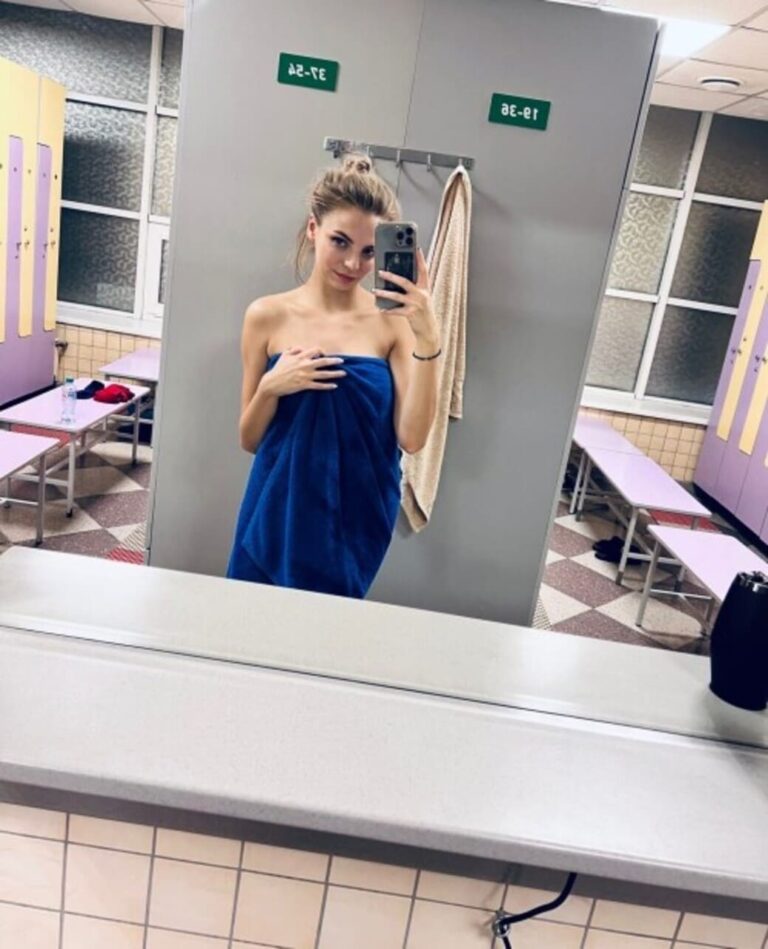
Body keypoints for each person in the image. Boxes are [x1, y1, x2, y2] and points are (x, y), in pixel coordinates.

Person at [226, 155, 440, 597]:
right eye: (339, 242)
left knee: (327, 633)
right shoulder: (266, 315)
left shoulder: (393, 324)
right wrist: (271, 387)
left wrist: (429, 336)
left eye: (368, 251)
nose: (352, 263)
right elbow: (249, 438)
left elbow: (413, 438)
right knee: (249, 623)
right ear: (313, 229)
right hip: (277, 510)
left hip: (354, 517)